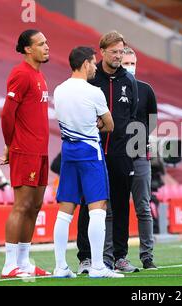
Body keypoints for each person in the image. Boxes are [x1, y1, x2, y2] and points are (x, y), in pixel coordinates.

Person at [52, 46, 122, 278]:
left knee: (65, 210)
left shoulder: (59, 90)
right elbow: (109, 124)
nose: (95, 67)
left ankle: (60, 266)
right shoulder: (93, 92)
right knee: (97, 208)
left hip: (68, 151)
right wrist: (95, 125)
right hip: (90, 150)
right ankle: (99, 266)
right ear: (85, 64)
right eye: (93, 63)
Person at [76, 31, 139, 274]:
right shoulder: (91, 79)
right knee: (88, 203)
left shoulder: (129, 81)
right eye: (113, 51)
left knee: (122, 205)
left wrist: (131, 150)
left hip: (121, 154)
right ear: (102, 51)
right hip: (93, 152)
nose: (118, 56)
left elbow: (132, 117)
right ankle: (86, 257)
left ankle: (120, 256)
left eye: (121, 51)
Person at [0, 29, 52, 278]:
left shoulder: (39, 76)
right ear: (28, 49)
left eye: (46, 43)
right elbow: (7, 114)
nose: (46, 46)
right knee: (21, 206)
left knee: (35, 206)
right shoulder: (20, 74)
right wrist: (9, 144)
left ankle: (24, 261)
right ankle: (9, 264)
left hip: (41, 151)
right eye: (41, 44)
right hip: (25, 150)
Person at [120, 47, 158, 270]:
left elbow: (152, 120)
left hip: (140, 154)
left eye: (132, 63)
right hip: (115, 155)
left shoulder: (146, 90)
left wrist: (139, 139)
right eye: (125, 63)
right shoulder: (111, 88)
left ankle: (147, 256)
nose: (129, 67)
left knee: (143, 206)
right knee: (115, 208)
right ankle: (115, 254)